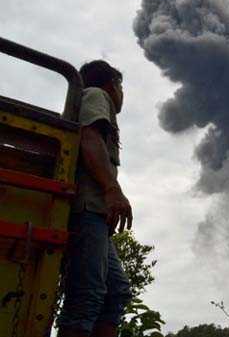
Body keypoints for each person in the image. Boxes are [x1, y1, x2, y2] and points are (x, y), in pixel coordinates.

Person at [58, 60, 132, 337]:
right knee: (87, 294)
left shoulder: (92, 98)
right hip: (85, 209)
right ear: (113, 84)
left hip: (96, 214)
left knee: (115, 291)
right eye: (121, 86)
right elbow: (89, 137)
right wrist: (113, 190)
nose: (122, 93)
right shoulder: (96, 96)